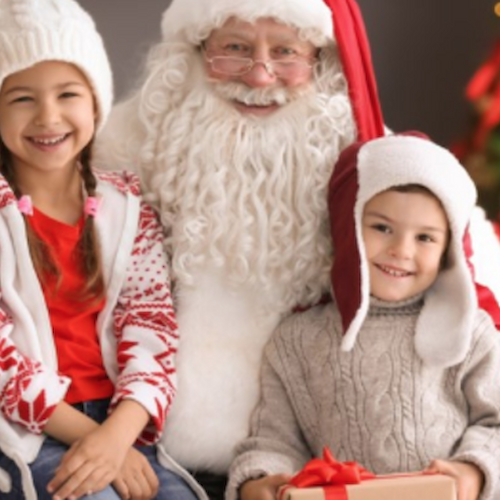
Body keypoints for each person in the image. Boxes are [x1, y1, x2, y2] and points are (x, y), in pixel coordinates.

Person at [95, 1, 385, 497]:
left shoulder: (379, 167)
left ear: (321, 61)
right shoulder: (118, 147)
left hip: (307, 458)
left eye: (286, 52)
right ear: (196, 48)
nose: (259, 76)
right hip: (140, 447)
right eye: (235, 48)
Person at [226, 133, 500, 500]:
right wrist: (258, 482)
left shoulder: (472, 333)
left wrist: (473, 472)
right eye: (382, 228)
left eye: (425, 238)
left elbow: (495, 424)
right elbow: (275, 439)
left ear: (448, 248)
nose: (401, 251)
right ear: (347, 225)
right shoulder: (297, 342)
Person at [0, 1, 201, 499]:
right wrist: (97, 441)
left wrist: (119, 433)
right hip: (30, 433)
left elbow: (153, 332)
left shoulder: (127, 209)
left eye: (68, 94)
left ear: (95, 104)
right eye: (22, 98)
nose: (48, 117)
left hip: (122, 424)